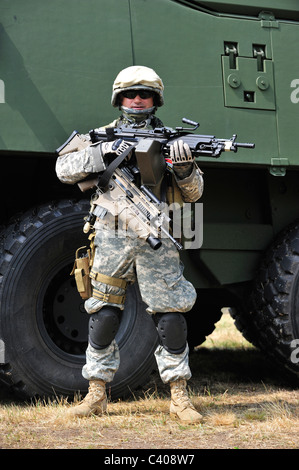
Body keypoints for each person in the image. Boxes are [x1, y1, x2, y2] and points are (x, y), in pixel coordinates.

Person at [55, 65, 204, 423]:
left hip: (157, 232)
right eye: (130, 94)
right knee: (103, 312)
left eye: (145, 94)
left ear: (156, 100)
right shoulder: (101, 136)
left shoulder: (170, 138)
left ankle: (179, 395)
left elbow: (195, 193)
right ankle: (96, 393)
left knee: (170, 313)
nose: (137, 100)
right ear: (118, 99)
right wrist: (104, 153)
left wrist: (183, 169)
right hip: (112, 231)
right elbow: (63, 169)